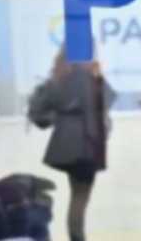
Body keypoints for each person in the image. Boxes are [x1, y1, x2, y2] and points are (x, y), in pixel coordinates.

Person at [28, 48, 116, 241]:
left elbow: (39, 114)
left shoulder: (59, 76)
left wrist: (59, 119)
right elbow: (107, 99)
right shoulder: (89, 76)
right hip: (87, 144)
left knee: (76, 194)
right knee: (80, 197)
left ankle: (77, 236)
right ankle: (78, 237)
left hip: (65, 146)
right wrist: (98, 74)